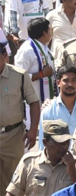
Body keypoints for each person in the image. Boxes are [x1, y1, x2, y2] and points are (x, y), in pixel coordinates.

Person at [0, 35, 40, 194]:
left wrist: (33, 130)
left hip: (13, 137)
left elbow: (34, 102)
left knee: (14, 181)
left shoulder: (20, 76)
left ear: (4, 56)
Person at [6, 120, 76, 196]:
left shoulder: (75, 166)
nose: (64, 147)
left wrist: (72, 172)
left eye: (66, 142)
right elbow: (13, 192)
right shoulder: (29, 162)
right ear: (45, 142)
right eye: (59, 143)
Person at [39, 66, 76, 150]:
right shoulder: (48, 110)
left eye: (73, 81)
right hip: (58, 160)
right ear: (58, 83)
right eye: (66, 81)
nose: (70, 84)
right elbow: (43, 144)